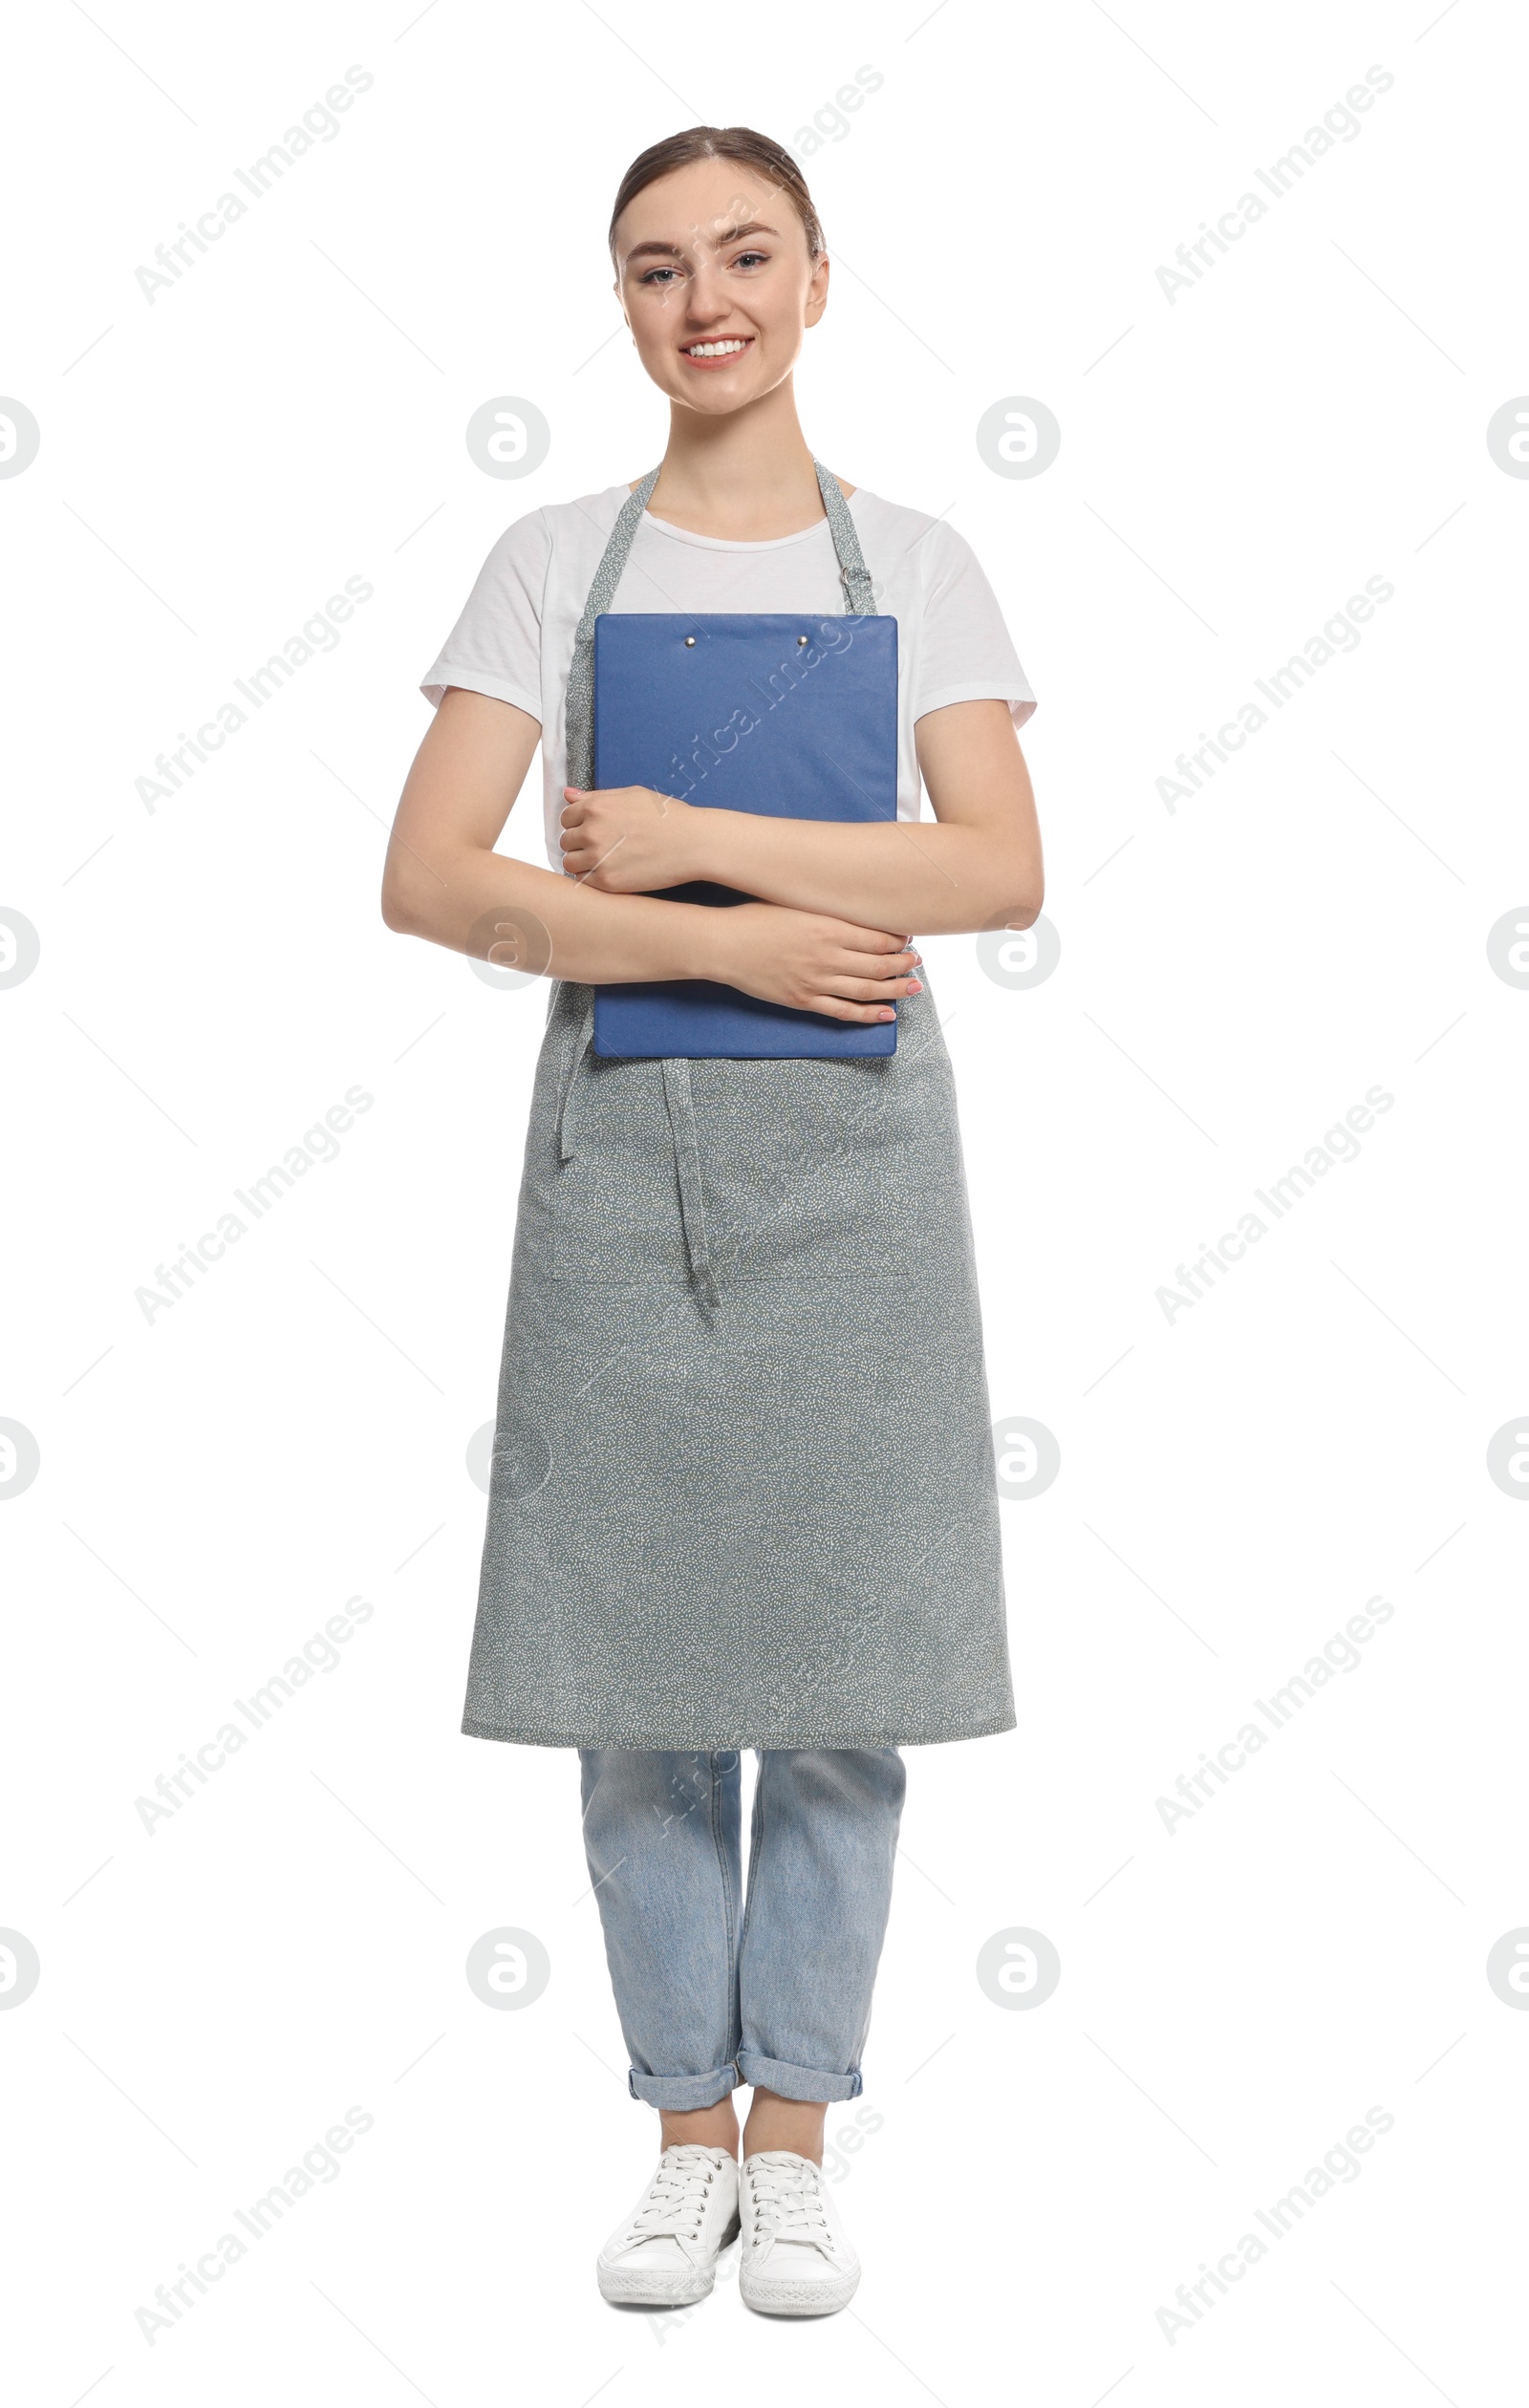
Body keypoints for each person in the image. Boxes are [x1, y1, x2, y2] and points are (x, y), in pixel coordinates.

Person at [383, 123, 1043, 2318]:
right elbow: (431, 877)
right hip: (623, 1166)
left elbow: (991, 869)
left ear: (819, 279)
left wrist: (690, 842)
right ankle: (684, 2133)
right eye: (657, 267)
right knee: (638, 1673)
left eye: (744, 254)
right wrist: (729, 940)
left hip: (856, 1177)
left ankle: (802, 2134)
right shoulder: (550, 562)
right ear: (626, 304)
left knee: (844, 1671)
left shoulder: (918, 563)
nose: (704, 299)